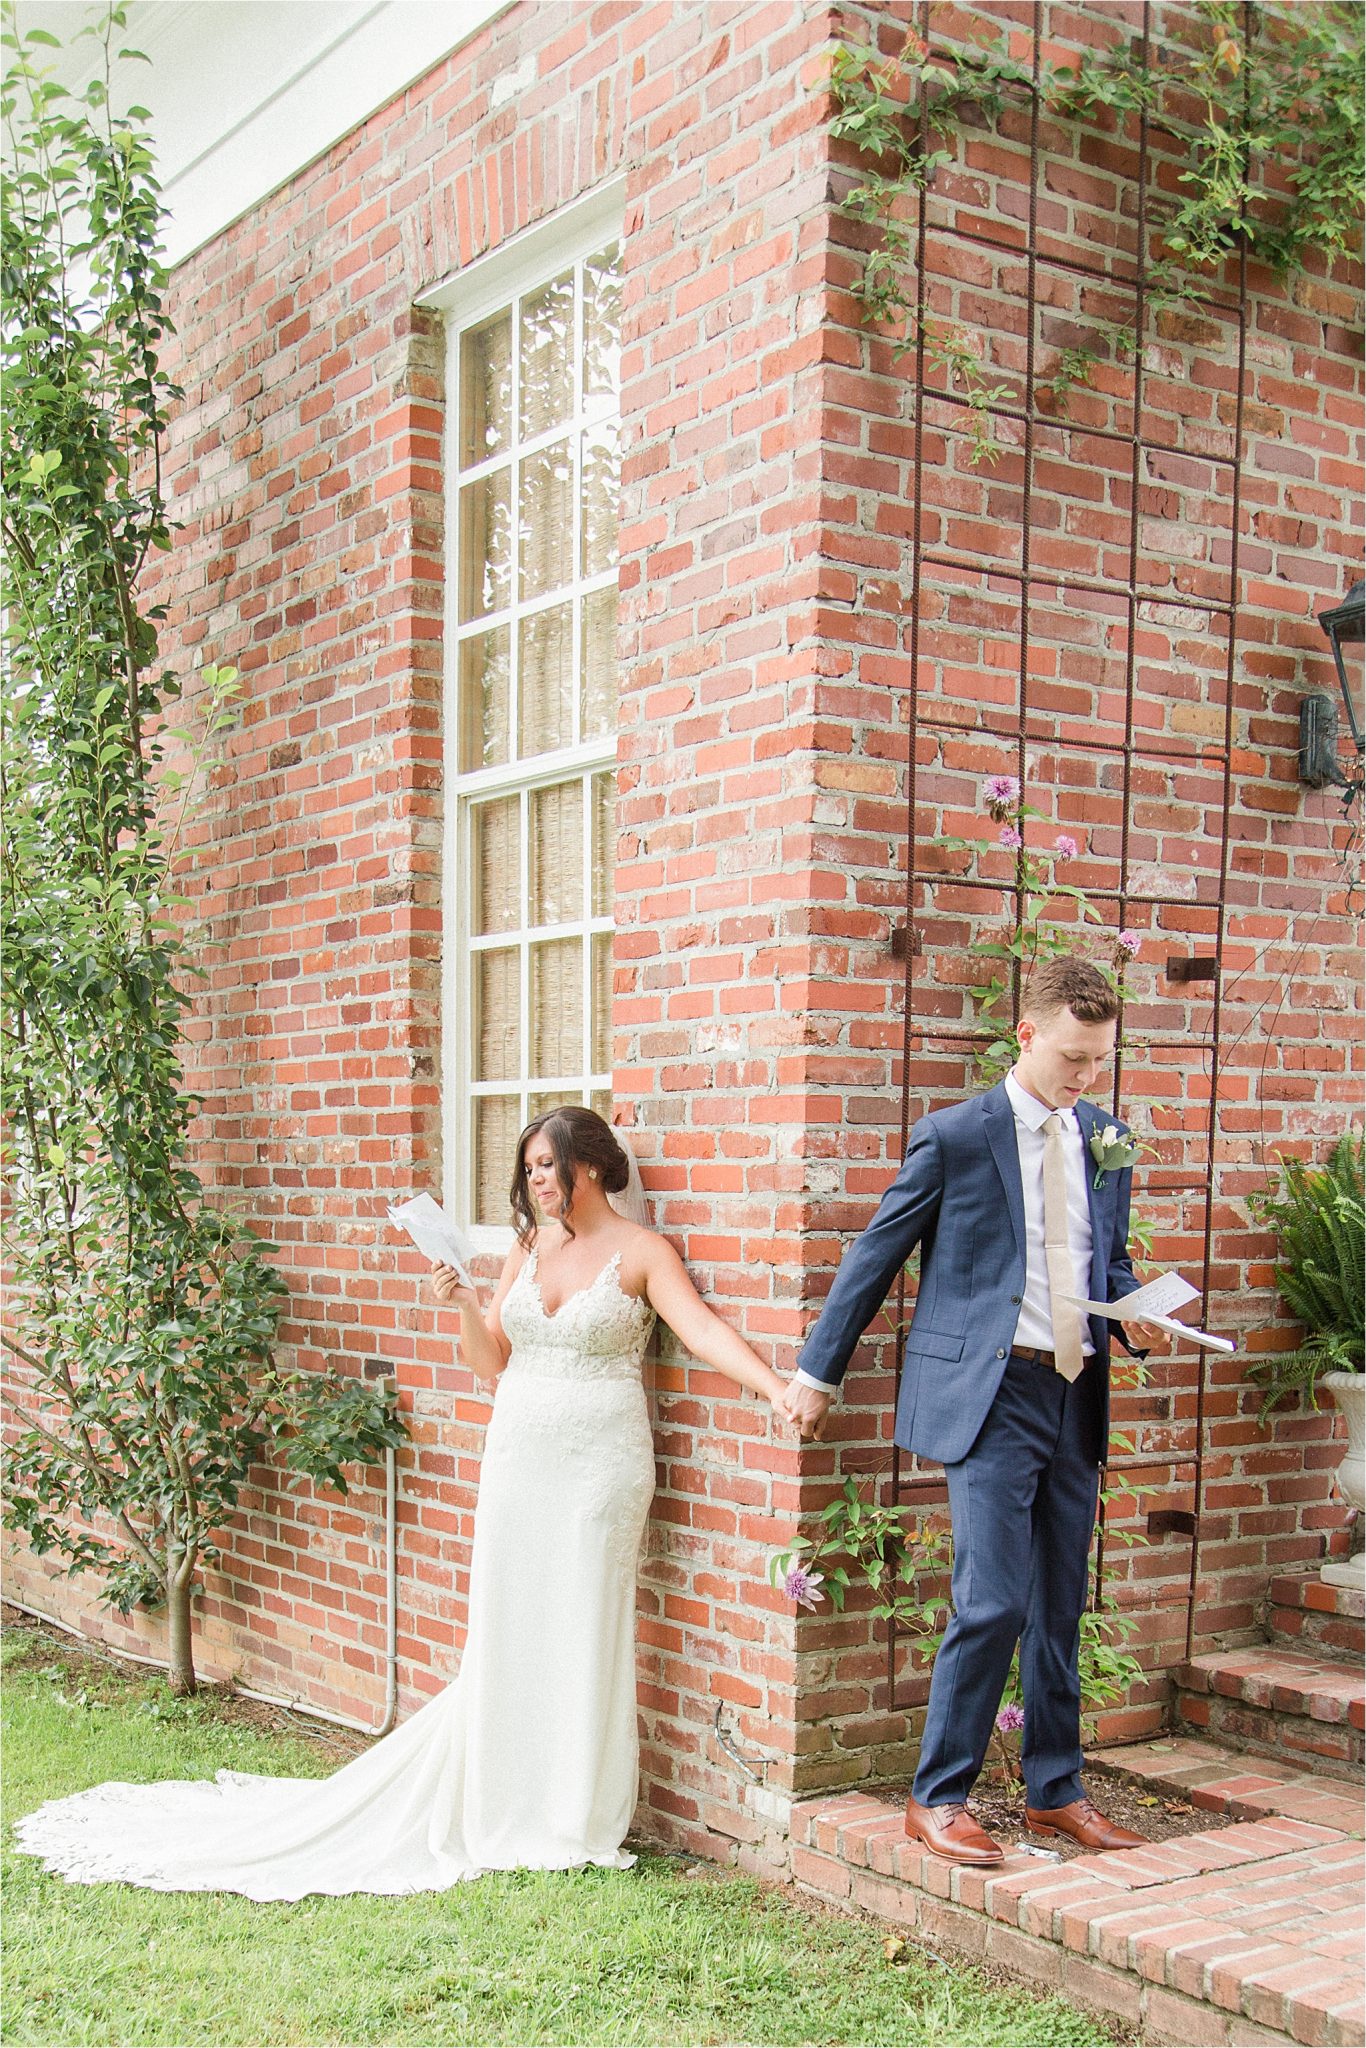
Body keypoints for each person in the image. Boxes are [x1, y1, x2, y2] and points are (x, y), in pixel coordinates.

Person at [15, 1106, 789, 1898]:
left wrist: (775, 1388)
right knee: (509, 1620)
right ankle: (502, 1788)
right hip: (518, 1457)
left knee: (585, 1619)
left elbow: (698, 1331)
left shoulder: (640, 1252)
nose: (536, 1181)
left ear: (588, 1166)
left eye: (546, 1166)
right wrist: (457, 1300)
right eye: (528, 1170)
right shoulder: (526, 1248)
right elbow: (491, 1361)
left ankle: (570, 1810)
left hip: (601, 1466)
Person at [783, 957, 1164, 1867]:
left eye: (1099, 1061)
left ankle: (1055, 1791)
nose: (1084, 1077)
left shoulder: (1104, 1137)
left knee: (1061, 1604)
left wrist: (1141, 1307)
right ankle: (936, 1795)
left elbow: (1102, 1262)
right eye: (1072, 1057)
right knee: (992, 1599)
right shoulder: (956, 1137)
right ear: (1027, 1035)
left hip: (1074, 1391)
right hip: (989, 1396)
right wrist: (815, 1374)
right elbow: (875, 1256)